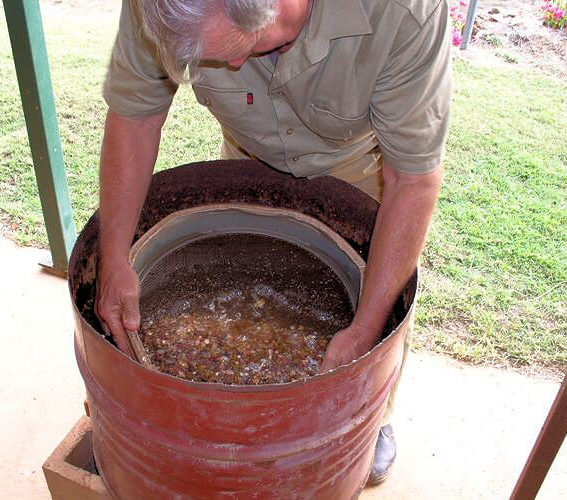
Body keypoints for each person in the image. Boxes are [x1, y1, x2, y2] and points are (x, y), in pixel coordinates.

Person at [95, 0, 451, 486]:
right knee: (249, 285)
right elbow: (134, 118)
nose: (233, 68)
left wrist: (366, 334)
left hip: (357, 170)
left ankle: (374, 416)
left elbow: (412, 181)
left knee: (372, 318)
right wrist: (115, 256)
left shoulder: (402, 13)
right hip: (248, 151)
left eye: (238, 51)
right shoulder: (162, 6)